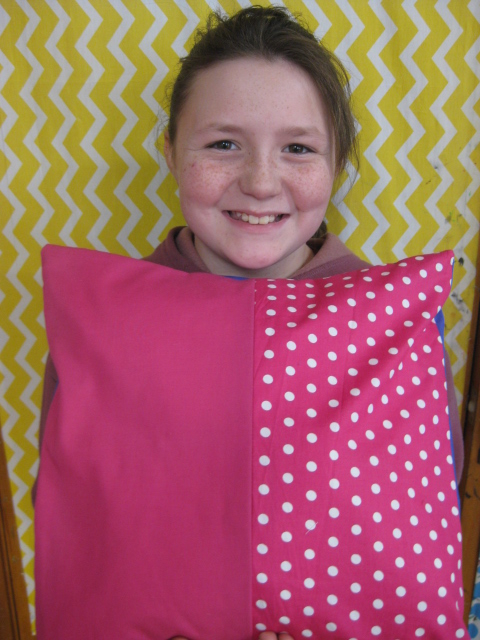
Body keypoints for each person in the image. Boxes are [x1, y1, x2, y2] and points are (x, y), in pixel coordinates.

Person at [36, 6, 464, 638]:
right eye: (223, 144)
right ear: (171, 152)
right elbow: (80, 522)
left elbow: (430, 506)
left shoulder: (394, 327)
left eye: (298, 149)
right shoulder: (104, 326)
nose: (261, 182)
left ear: (337, 164)